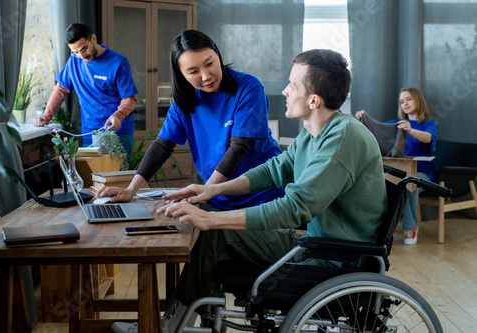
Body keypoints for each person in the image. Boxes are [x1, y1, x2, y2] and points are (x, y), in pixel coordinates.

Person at [111, 49, 387, 333]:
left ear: (314, 100)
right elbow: (273, 170)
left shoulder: (341, 139)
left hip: (334, 259)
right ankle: (187, 324)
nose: (285, 91)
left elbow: (295, 208)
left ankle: (172, 326)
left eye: (292, 85)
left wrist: (210, 219)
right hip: (315, 246)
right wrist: (210, 191)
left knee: (213, 228)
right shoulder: (315, 131)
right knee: (213, 231)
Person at [97, 30, 284, 210]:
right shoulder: (184, 102)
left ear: (217, 55)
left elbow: (239, 147)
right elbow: (162, 146)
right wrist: (131, 190)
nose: (206, 76)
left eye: (210, 63)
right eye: (193, 71)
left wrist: (205, 192)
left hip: (261, 195)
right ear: (181, 75)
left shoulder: (249, 87)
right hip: (217, 196)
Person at [34, 22, 138, 162]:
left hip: (117, 133)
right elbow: (60, 90)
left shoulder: (118, 62)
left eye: (84, 49)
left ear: (93, 39)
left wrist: (118, 116)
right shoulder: (74, 61)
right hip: (90, 133)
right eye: (75, 52)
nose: (82, 56)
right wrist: (46, 116)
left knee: (114, 181)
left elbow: (130, 99)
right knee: (93, 181)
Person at [355, 87, 438, 245]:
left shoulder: (430, 124)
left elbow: (428, 138)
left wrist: (410, 130)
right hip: (397, 173)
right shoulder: (396, 124)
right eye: (401, 101)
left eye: (408, 99)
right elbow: (377, 130)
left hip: (423, 173)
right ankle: (373, 230)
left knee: (409, 183)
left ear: (418, 100)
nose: (404, 103)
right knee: (380, 184)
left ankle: (410, 228)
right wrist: (363, 119)